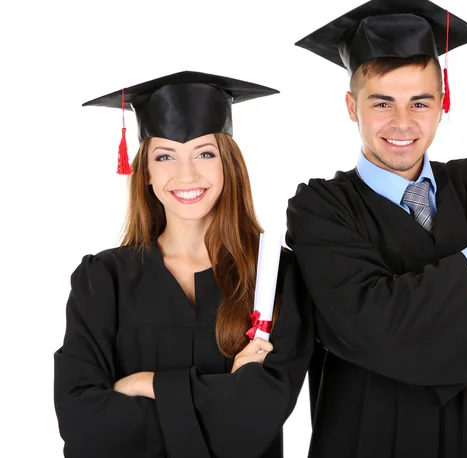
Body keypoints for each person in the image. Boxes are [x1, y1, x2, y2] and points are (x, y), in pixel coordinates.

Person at [287, 0, 467, 458]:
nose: (403, 122)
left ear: (442, 102)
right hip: (364, 432)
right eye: (382, 102)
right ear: (352, 107)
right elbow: (365, 322)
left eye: (420, 101)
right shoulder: (320, 208)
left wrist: (396, 334)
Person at [54, 71, 314, 458]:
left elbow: (256, 418)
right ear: (146, 173)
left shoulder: (275, 275)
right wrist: (220, 398)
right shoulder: (103, 280)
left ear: (228, 165)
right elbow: (83, 425)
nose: (186, 174)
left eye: (205, 153)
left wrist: (143, 384)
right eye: (165, 156)